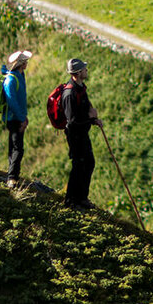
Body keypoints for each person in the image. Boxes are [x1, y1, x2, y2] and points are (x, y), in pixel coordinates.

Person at [62, 57, 102, 210]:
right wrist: (90, 118)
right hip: (75, 135)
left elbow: (84, 110)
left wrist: (94, 120)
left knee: (89, 163)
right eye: (84, 69)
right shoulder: (69, 93)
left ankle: (82, 198)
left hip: (83, 133)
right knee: (78, 165)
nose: (86, 70)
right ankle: (71, 201)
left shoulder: (81, 88)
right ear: (78, 73)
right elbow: (72, 120)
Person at [2, 50, 33, 188]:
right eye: (25, 61)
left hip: (19, 117)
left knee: (14, 147)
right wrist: (22, 119)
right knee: (17, 148)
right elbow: (12, 102)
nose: (27, 63)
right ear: (20, 63)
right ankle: (12, 178)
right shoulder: (11, 80)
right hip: (14, 118)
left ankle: (13, 175)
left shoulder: (20, 75)